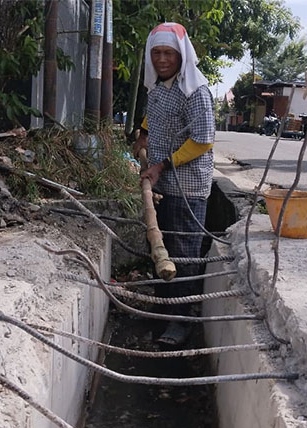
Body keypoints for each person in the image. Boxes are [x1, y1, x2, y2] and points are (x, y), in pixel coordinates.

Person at [131, 22, 215, 346]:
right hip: (162, 183)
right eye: (156, 53)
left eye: (168, 53)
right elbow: (153, 117)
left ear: (181, 56)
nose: (162, 59)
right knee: (160, 251)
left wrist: (161, 166)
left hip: (187, 187)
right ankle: (163, 309)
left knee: (184, 254)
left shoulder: (195, 92)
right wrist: (143, 136)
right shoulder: (158, 88)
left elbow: (203, 140)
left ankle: (181, 321)